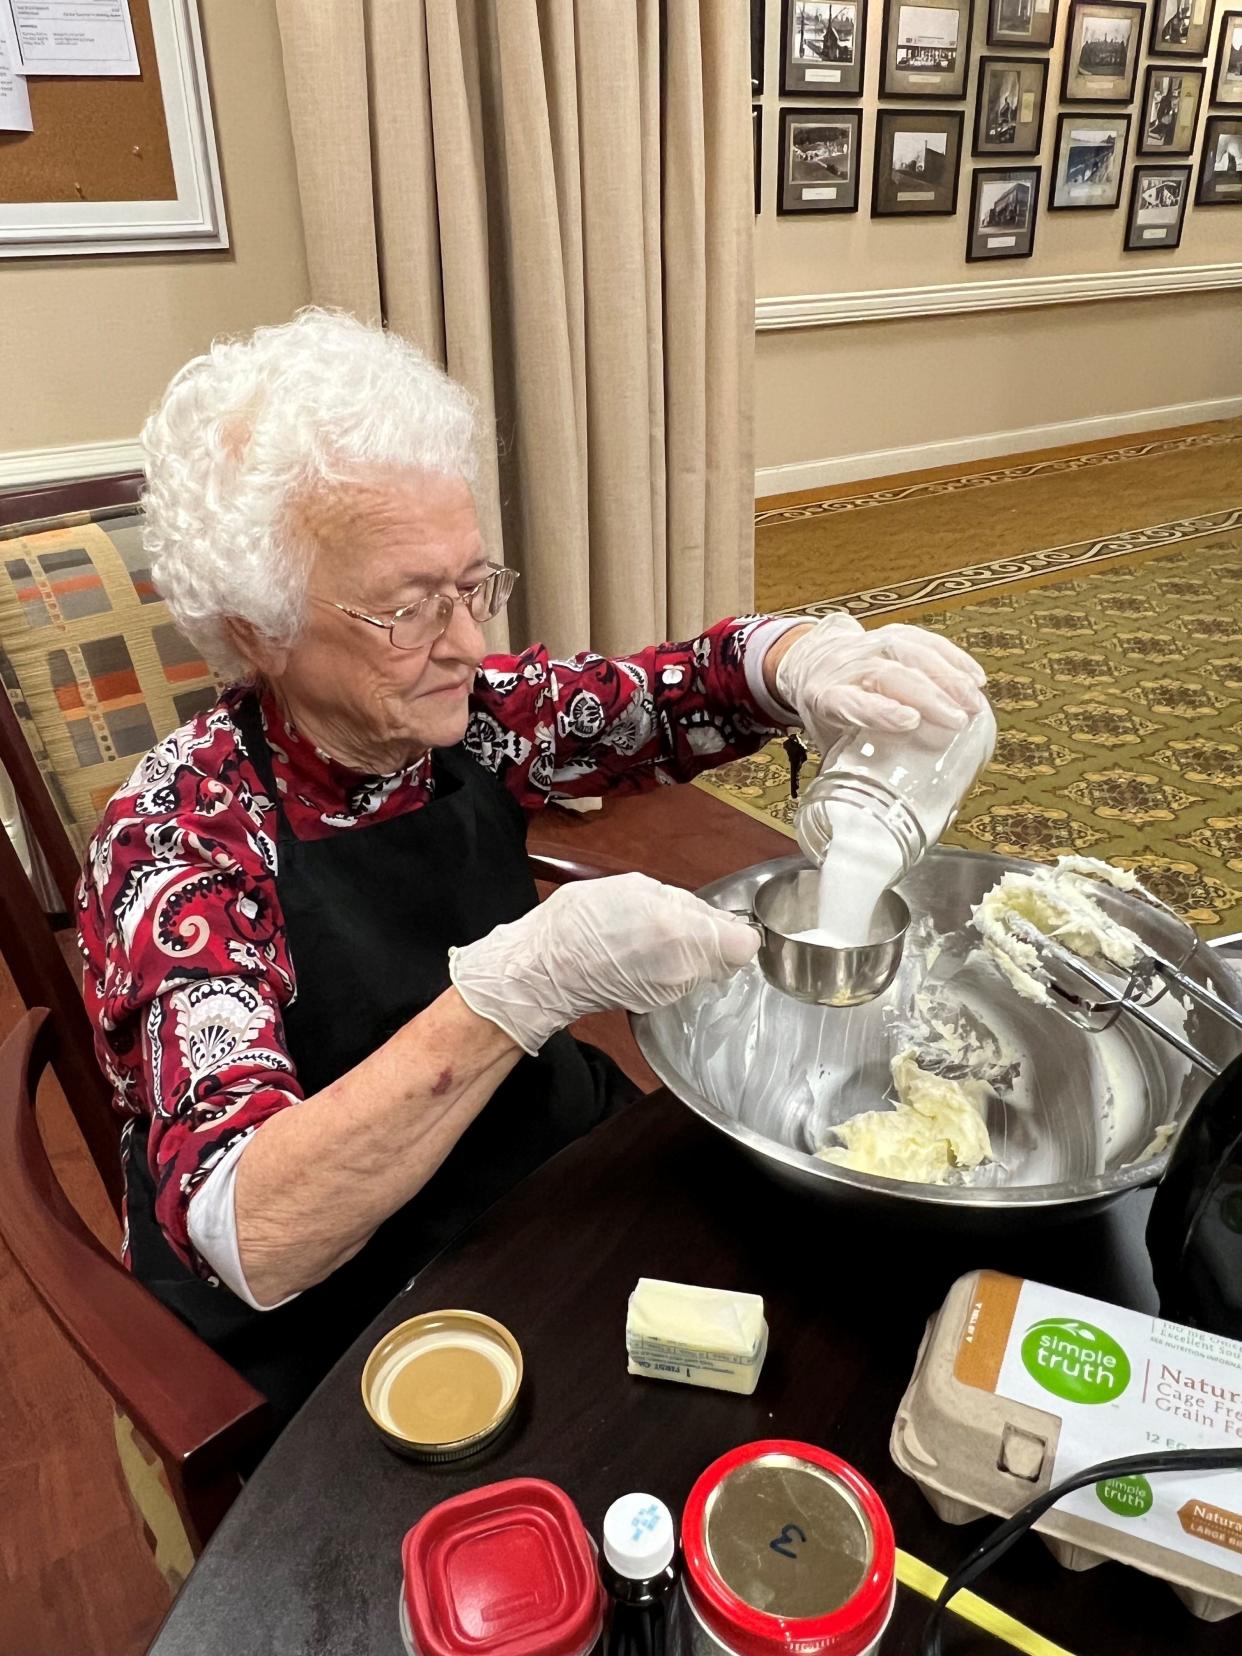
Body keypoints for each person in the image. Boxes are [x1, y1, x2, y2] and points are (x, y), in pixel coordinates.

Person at [78, 310, 986, 1422]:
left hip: (519, 1169)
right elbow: (256, 1229)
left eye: (474, 585)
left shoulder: (477, 717)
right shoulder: (180, 839)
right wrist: (527, 985)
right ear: (256, 626)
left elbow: (680, 689)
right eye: (408, 607)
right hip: (351, 1300)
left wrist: (809, 658)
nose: (465, 643)